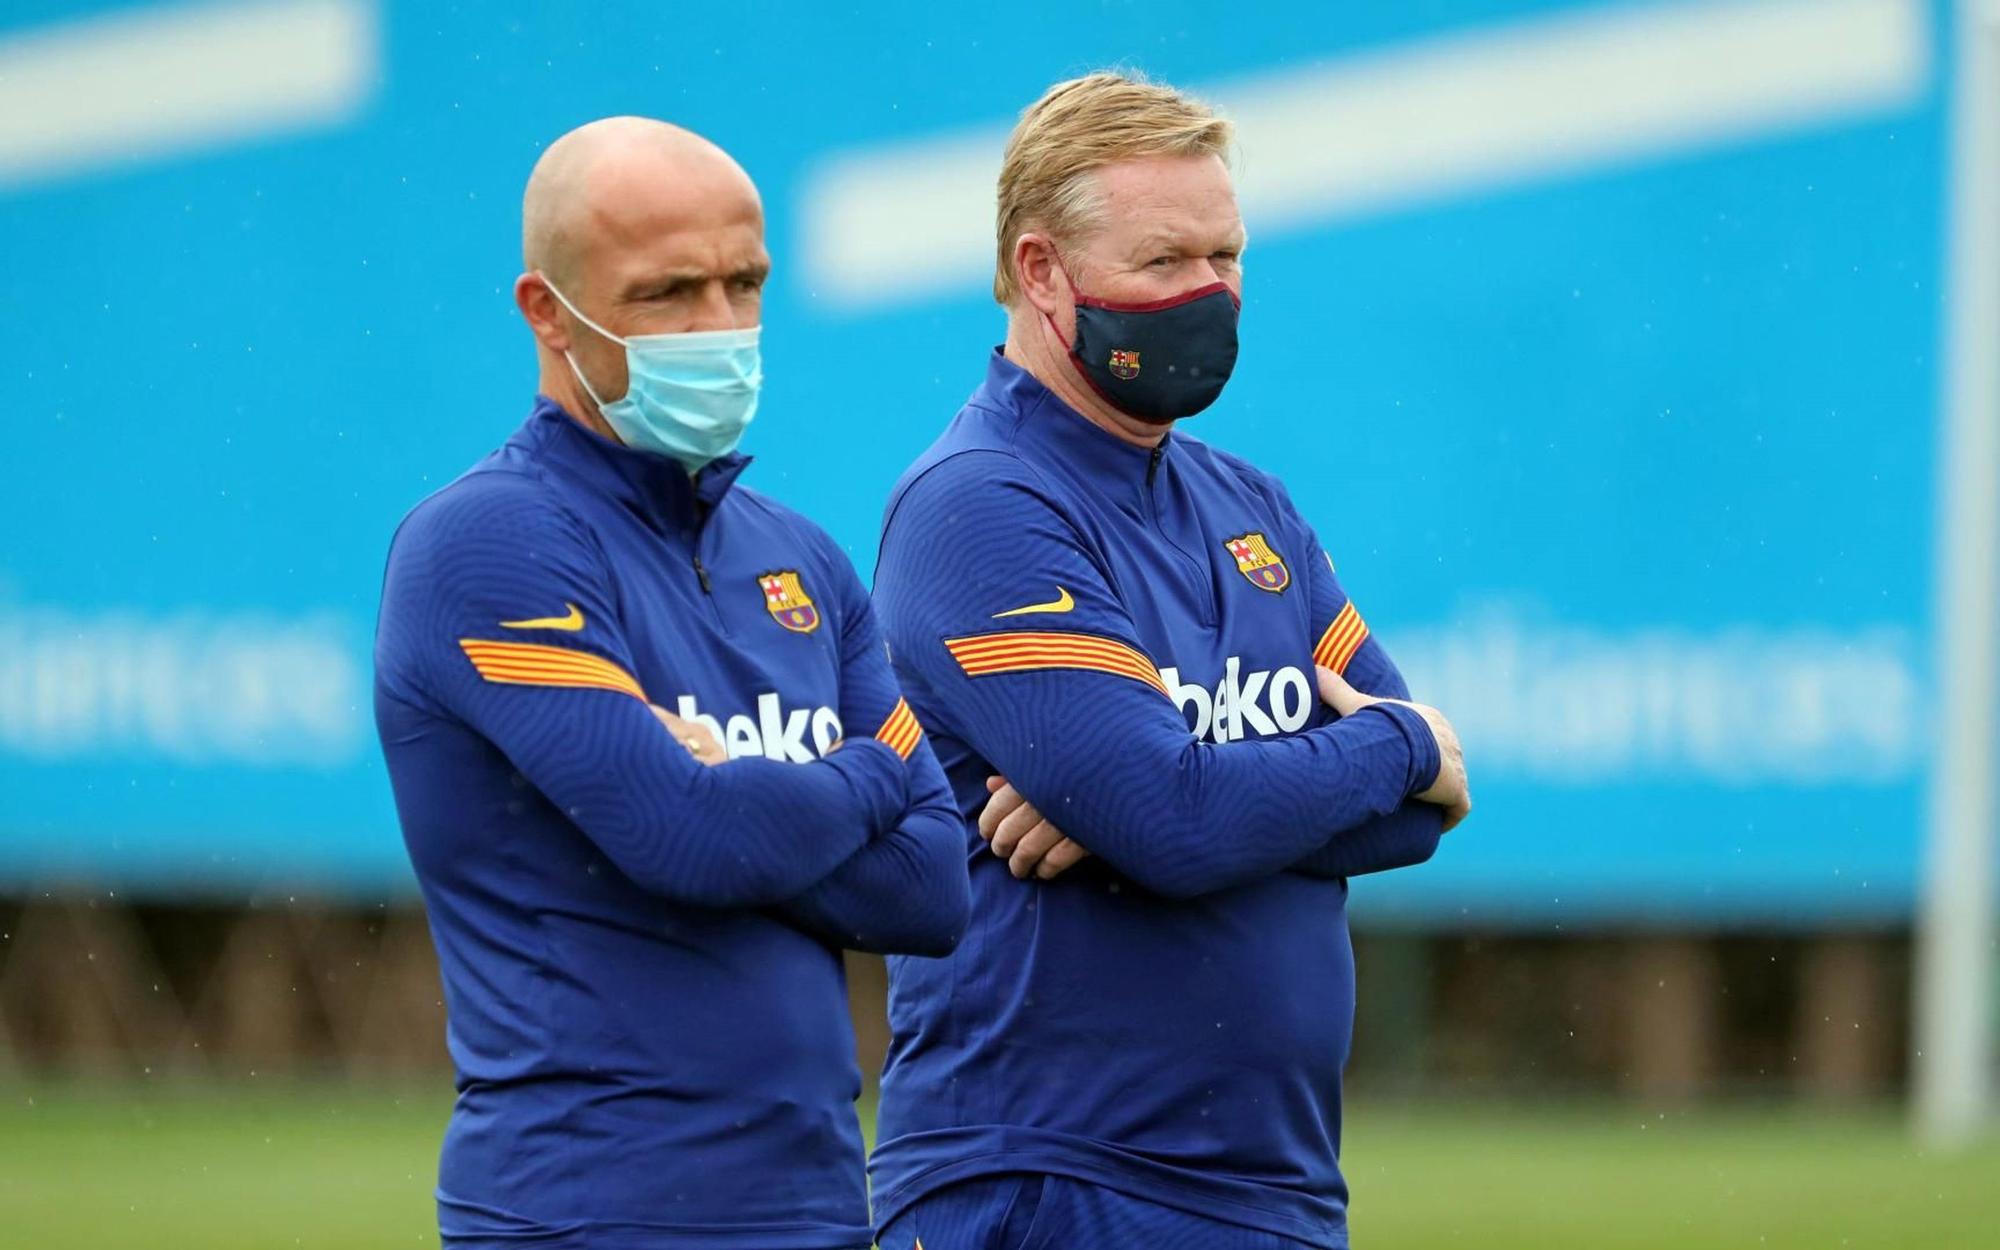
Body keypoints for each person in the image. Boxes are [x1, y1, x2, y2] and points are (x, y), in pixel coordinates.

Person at [868, 74, 1470, 1250]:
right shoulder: (979, 505)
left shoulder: (1249, 506)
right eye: (1164, 262)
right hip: (1053, 1178)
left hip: (1273, 1185)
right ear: (1041, 274)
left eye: (1226, 254)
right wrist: (1389, 745)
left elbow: (1413, 822)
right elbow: (1223, 809)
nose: (1208, 294)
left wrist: (1165, 805)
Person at [373, 116, 967, 1250]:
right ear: (546, 309)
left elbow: (932, 889)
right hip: (585, 1209)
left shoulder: (798, 554)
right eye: (666, 292)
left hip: (820, 1204)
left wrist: (747, 799)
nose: (719, 327)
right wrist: (868, 771)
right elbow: (685, 836)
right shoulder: (485, 543)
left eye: (744, 282)